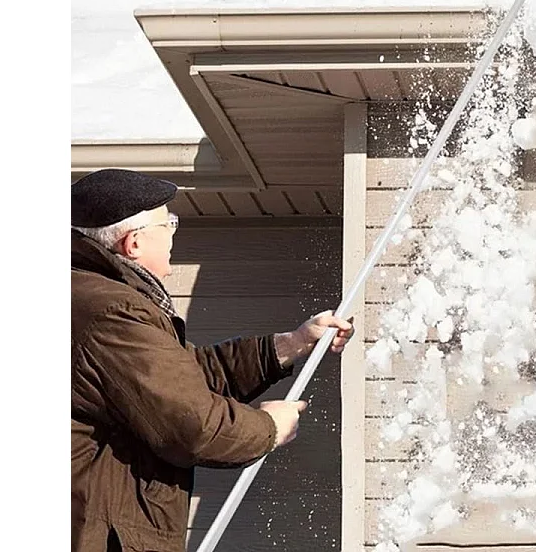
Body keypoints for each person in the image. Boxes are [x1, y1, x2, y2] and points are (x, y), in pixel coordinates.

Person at [70, 168, 354, 552]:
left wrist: (292, 344)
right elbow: (192, 424)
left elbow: (187, 376)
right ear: (133, 243)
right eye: (167, 223)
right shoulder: (111, 313)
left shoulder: (94, 298)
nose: (173, 232)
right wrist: (268, 427)